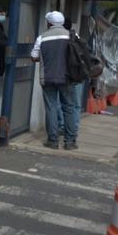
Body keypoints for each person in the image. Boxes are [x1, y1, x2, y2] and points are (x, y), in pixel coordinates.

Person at [31, 11, 78, 150]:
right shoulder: (72, 36)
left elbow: (34, 57)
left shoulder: (42, 37)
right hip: (67, 78)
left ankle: (52, 140)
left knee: (51, 108)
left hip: (48, 78)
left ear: (49, 23)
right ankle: (70, 142)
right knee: (68, 108)